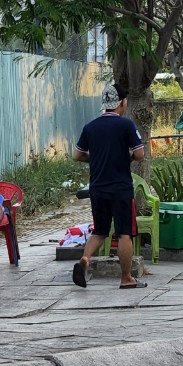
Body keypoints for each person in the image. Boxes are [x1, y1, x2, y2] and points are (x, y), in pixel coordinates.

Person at [72, 83, 147, 290]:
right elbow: (140, 154)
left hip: (98, 188)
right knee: (124, 233)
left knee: (100, 231)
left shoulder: (91, 127)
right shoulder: (126, 126)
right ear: (122, 102)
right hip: (121, 189)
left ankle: (85, 259)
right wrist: (127, 155)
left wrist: (95, 158)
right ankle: (126, 278)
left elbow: (77, 155)